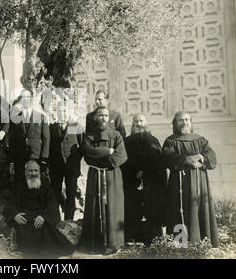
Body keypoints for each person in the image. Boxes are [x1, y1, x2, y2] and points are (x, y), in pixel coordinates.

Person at [162, 111, 219, 247]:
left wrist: (201, 158)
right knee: (178, 210)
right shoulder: (171, 141)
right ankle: (181, 243)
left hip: (199, 182)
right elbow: (167, 157)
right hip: (178, 184)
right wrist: (187, 160)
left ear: (191, 122)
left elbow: (212, 158)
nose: (184, 123)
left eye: (187, 120)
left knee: (199, 209)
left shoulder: (200, 140)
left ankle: (202, 242)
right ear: (175, 123)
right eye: (181, 120)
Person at [80, 106, 127, 254]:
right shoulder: (89, 136)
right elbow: (88, 153)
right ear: (95, 118)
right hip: (95, 176)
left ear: (109, 118)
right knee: (94, 208)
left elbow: (121, 156)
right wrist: (107, 151)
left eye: (106, 116)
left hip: (112, 175)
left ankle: (113, 243)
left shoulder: (116, 135)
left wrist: (101, 160)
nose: (103, 118)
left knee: (113, 208)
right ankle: (94, 244)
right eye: (100, 116)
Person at [3, 160, 74, 257]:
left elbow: (52, 204)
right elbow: (11, 203)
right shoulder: (19, 185)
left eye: (36, 171)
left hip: (41, 219)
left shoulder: (45, 185)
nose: (33, 173)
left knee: (52, 239)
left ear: (39, 172)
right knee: (26, 237)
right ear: (25, 172)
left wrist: (44, 217)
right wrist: (15, 215)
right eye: (30, 171)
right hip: (25, 220)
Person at [121, 114, 166, 244]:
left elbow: (158, 162)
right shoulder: (127, 141)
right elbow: (123, 161)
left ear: (146, 123)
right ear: (132, 124)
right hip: (131, 182)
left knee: (151, 209)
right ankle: (132, 236)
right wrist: (134, 172)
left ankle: (152, 237)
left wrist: (145, 171)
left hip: (151, 182)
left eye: (141, 121)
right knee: (132, 209)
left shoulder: (153, 140)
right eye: (136, 122)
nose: (139, 124)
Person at [49, 99, 83, 221]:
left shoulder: (75, 126)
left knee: (71, 193)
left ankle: (69, 220)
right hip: (55, 167)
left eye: (64, 111)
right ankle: (57, 218)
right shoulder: (51, 128)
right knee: (56, 192)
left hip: (71, 166)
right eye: (59, 111)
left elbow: (82, 145)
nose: (62, 113)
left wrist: (76, 160)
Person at [8, 89, 50, 186]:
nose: (26, 99)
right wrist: (11, 161)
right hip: (19, 159)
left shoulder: (41, 117)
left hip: (35, 158)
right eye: (23, 97)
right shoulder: (15, 118)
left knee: (35, 187)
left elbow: (46, 139)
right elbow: (12, 140)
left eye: (28, 97)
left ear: (31, 99)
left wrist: (44, 159)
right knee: (20, 186)